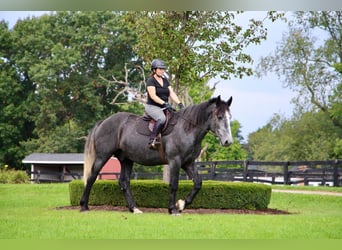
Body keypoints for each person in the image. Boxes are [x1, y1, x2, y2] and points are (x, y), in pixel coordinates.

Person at [145, 59, 184, 149]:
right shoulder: (151, 81)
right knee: (162, 119)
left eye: (163, 69)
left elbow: (171, 93)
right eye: (160, 69)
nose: (162, 71)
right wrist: (164, 103)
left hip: (164, 106)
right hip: (152, 106)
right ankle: (152, 140)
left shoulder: (165, 80)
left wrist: (179, 103)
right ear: (154, 70)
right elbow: (153, 96)